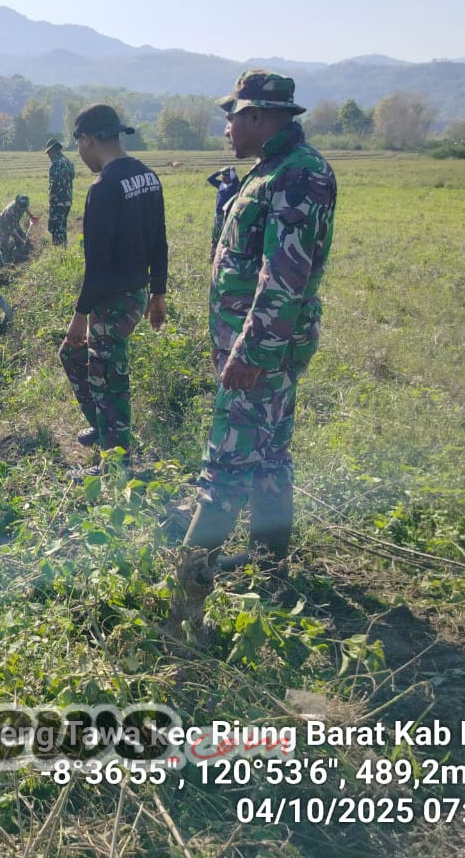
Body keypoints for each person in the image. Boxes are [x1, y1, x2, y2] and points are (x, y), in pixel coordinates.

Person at [167, 70, 337, 636]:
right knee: (269, 458)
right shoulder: (272, 171)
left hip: (260, 355)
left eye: (232, 116)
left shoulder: (298, 175)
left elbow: (284, 275)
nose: (225, 128)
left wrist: (248, 352)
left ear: (260, 116)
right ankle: (271, 571)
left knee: (225, 472)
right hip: (263, 350)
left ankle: (185, 612)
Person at [58, 104, 167, 471]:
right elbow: (160, 242)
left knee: (106, 377)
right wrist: (157, 294)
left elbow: (97, 265)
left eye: (79, 146)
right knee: (75, 357)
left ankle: (115, 463)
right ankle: (105, 431)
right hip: (134, 295)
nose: (80, 155)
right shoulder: (148, 176)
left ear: (88, 140)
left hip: (113, 298)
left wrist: (80, 317)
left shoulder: (103, 188)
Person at [45, 138, 76, 246]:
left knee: (54, 227)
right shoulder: (69, 162)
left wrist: (50, 200)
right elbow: (72, 178)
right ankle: (64, 250)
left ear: (52, 150)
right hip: (67, 200)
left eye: (48, 152)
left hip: (57, 201)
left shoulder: (55, 163)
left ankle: (58, 254)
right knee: (62, 226)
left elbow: (53, 184)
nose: (48, 155)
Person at [206, 166, 240, 262]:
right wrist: (219, 171)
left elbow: (237, 180)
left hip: (229, 215)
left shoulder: (234, 186)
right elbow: (210, 179)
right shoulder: (220, 185)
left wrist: (232, 172)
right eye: (223, 177)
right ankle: (213, 256)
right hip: (219, 214)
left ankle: (224, 257)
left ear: (231, 177)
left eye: (226, 177)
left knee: (227, 236)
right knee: (215, 235)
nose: (223, 178)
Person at [0, 194, 38, 262]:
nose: (22, 209)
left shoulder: (23, 205)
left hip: (14, 222)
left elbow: (26, 208)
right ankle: (4, 259)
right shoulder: (10, 211)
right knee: (4, 243)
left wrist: (31, 216)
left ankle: (20, 252)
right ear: (17, 204)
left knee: (23, 239)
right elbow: (13, 230)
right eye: (21, 207)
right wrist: (21, 239)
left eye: (24, 207)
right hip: (3, 224)